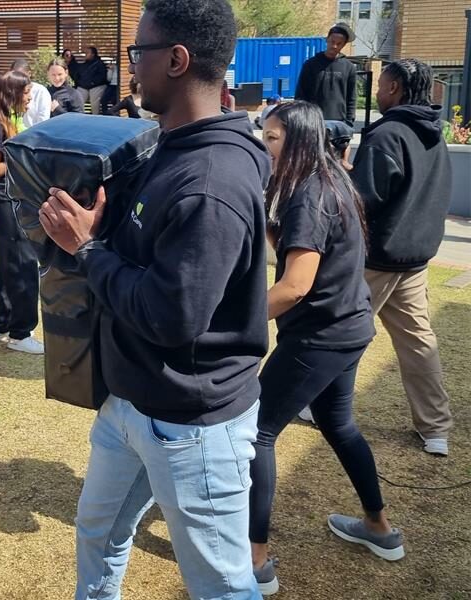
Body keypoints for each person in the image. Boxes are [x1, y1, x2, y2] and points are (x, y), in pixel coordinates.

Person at [39, 1, 271, 597]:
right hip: (130, 401)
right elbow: (140, 254)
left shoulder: (213, 180)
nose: (131, 67)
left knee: (221, 584)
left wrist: (88, 251)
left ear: (176, 59)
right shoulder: (168, 146)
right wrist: (95, 226)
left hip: (191, 423)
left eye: (137, 53)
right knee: (98, 531)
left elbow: (171, 316)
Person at [250, 101, 404, 596]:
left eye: (272, 139)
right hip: (351, 326)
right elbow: (297, 246)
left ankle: (255, 560)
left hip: (320, 337)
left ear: (295, 141)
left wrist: (232, 320)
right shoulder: (332, 178)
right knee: (338, 424)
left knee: (258, 431)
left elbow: (295, 285)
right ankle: (379, 529)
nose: (264, 145)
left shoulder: (309, 194)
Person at [351, 59, 453, 456]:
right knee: (418, 342)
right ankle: (436, 428)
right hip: (415, 257)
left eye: (381, 86)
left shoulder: (389, 134)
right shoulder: (433, 134)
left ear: (393, 89)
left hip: (378, 256)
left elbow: (362, 199)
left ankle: (316, 401)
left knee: (340, 334)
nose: (376, 93)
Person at [0, 72, 43, 355]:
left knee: (7, 261)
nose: (30, 98)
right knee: (22, 262)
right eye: (27, 93)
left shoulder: (14, 121)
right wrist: (25, 161)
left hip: (14, 199)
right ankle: (22, 332)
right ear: (12, 94)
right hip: (7, 200)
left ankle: (4, 324)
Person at [295, 22, 357, 128]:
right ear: (327, 39)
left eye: (339, 43)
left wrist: (349, 121)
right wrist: (302, 118)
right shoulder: (310, 64)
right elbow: (301, 94)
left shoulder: (349, 67)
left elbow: (351, 97)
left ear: (344, 44)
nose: (334, 46)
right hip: (313, 121)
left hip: (339, 122)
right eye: (332, 41)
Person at [11, 58, 51, 127]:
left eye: (20, 75)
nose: (17, 79)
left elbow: (43, 120)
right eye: (15, 76)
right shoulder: (9, 90)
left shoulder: (40, 92)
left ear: (29, 74)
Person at [74, 46, 109, 115]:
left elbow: (102, 77)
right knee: (77, 99)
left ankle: (95, 117)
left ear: (93, 54)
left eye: (87, 53)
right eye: (85, 53)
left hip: (97, 86)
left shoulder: (99, 64)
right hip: (84, 86)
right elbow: (78, 75)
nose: (85, 54)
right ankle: (77, 116)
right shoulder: (84, 64)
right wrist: (79, 83)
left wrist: (92, 83)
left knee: (94, 102)